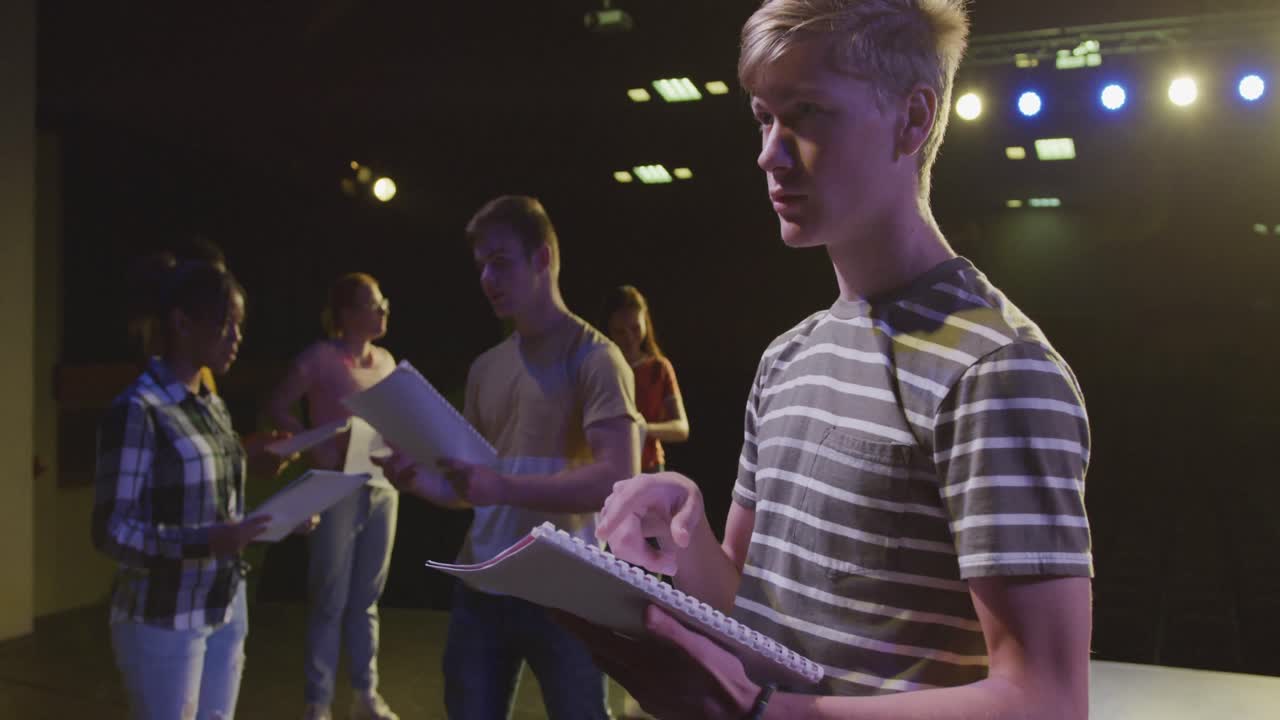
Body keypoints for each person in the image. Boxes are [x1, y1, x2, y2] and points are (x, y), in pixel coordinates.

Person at [571, 2, 1094, 719]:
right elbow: (755, 620)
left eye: (807, 112)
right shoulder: (787, 359)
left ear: (913, 120)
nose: (769, 152)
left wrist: (765, 714)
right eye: (764, 117)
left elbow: (1046, 700)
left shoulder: (995, 370)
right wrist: (676, 537)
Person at [378, 195, 642, 720]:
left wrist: (500, 488)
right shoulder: (485, 368)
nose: (487, 279)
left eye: (501, 262)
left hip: (566, 596)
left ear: (543, 258)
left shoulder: (596, 358)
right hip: (484, 587)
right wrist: (421, 483)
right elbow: (476, 491)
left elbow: (618, 478)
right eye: (481, 267)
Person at [93, 257, 303, 720]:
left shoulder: (212, 404)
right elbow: (112, 531)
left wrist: (277, 504)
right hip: (165, 617)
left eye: (240, 326)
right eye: (226, 325)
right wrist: (206, 541)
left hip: (224, 602)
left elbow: (204, 489)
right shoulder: (138, 409)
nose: (237, 338)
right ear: (182, 324)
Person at [267, 273, 401, 720]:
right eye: (372, 302)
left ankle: (365, 693)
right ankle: (318, 701)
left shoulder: (386, 361)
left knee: (367, 597)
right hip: (335, 486)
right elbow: (280, 403)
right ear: (346, 314)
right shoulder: (322, 357)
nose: (382, 309)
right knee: (329, 596)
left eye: (383, 301)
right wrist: (315, 442)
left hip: (381, 486)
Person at [601, 285, 689, 473]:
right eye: (620, 331)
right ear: (609, 329)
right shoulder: (602, 367)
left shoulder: (658, 368)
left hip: (650, 466)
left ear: (645, 323)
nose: (629, 338)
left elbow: (681, 428)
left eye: (635, 328)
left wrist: (642, 428)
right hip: (609, 465)